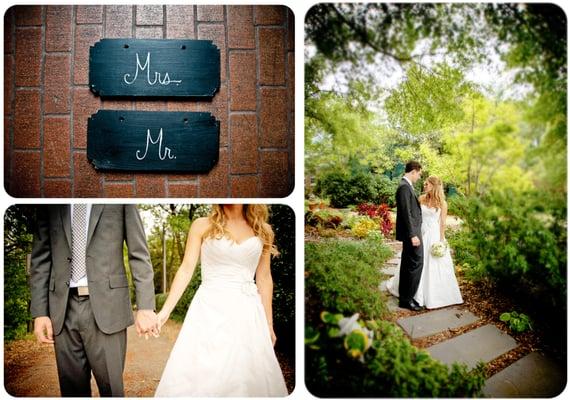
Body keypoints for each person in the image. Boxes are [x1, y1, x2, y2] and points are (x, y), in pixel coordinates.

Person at [154, 204, 288, 397]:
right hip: (209, 310)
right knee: (205, 372)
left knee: (246, 376)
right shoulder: (202, 225)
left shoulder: (263, 230)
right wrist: (165, 311)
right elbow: (186, 268)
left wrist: (269, 324)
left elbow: (264, 278)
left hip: (247, 314)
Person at [30, 205, 157, 397]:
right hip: (62, 309)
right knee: (71, 391)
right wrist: (40, 311)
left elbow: (139, 254)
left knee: (112, 391)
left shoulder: (120, 198)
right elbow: (40, 259)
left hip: (109, 308)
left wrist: (146, 306)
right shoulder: (50, 201)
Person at [388, 176, 463, 309]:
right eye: (424, 183)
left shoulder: (442, 203)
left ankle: (433, 295)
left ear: (434, 186)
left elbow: (443, 223)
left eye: (427, 184)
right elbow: (415, 216)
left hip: (434, 235)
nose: (424, 185)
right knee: (414, 262)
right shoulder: (421, 198)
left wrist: (441, 240)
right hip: (420, 233)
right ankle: (412, 292)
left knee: (432, 263)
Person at [392, 161, 425, 311]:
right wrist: (413, 234)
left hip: (413, 232)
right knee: (415, 264)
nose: (419, 177)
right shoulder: (404, 187)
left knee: (408, 265)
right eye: (419, 174)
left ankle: (405, 298)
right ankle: (407, 299)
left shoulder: (406, 186)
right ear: (413, 171)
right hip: (412, 233)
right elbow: (406, 213)